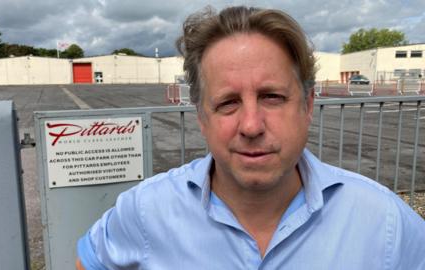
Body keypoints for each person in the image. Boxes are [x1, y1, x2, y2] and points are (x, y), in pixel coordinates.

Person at [76, 6, 425, 269]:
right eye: (227, 103)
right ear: (201, 117)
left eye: (272, 97)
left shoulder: (386, 224)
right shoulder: (144, 212)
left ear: (307, 105)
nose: (252, 125)